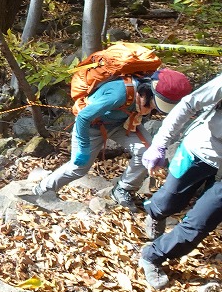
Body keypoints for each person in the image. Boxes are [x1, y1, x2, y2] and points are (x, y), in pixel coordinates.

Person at [33, 68, 192, 209]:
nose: (152, 109)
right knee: (78, 168)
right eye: (153, 105)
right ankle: (42, 190)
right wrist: (83, 147)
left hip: (122, 123)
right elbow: (83, 117)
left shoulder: (147, 91)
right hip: (92, 126)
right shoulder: (119, 94)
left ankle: (123, 189)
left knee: (148, 152)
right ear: (147, 91)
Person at [138, 70, 222, 289]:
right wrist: (160, 144)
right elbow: (189, 104)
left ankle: (153, 256)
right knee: (170, 199)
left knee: (200, 223)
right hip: (200, 149)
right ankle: (156, 214)